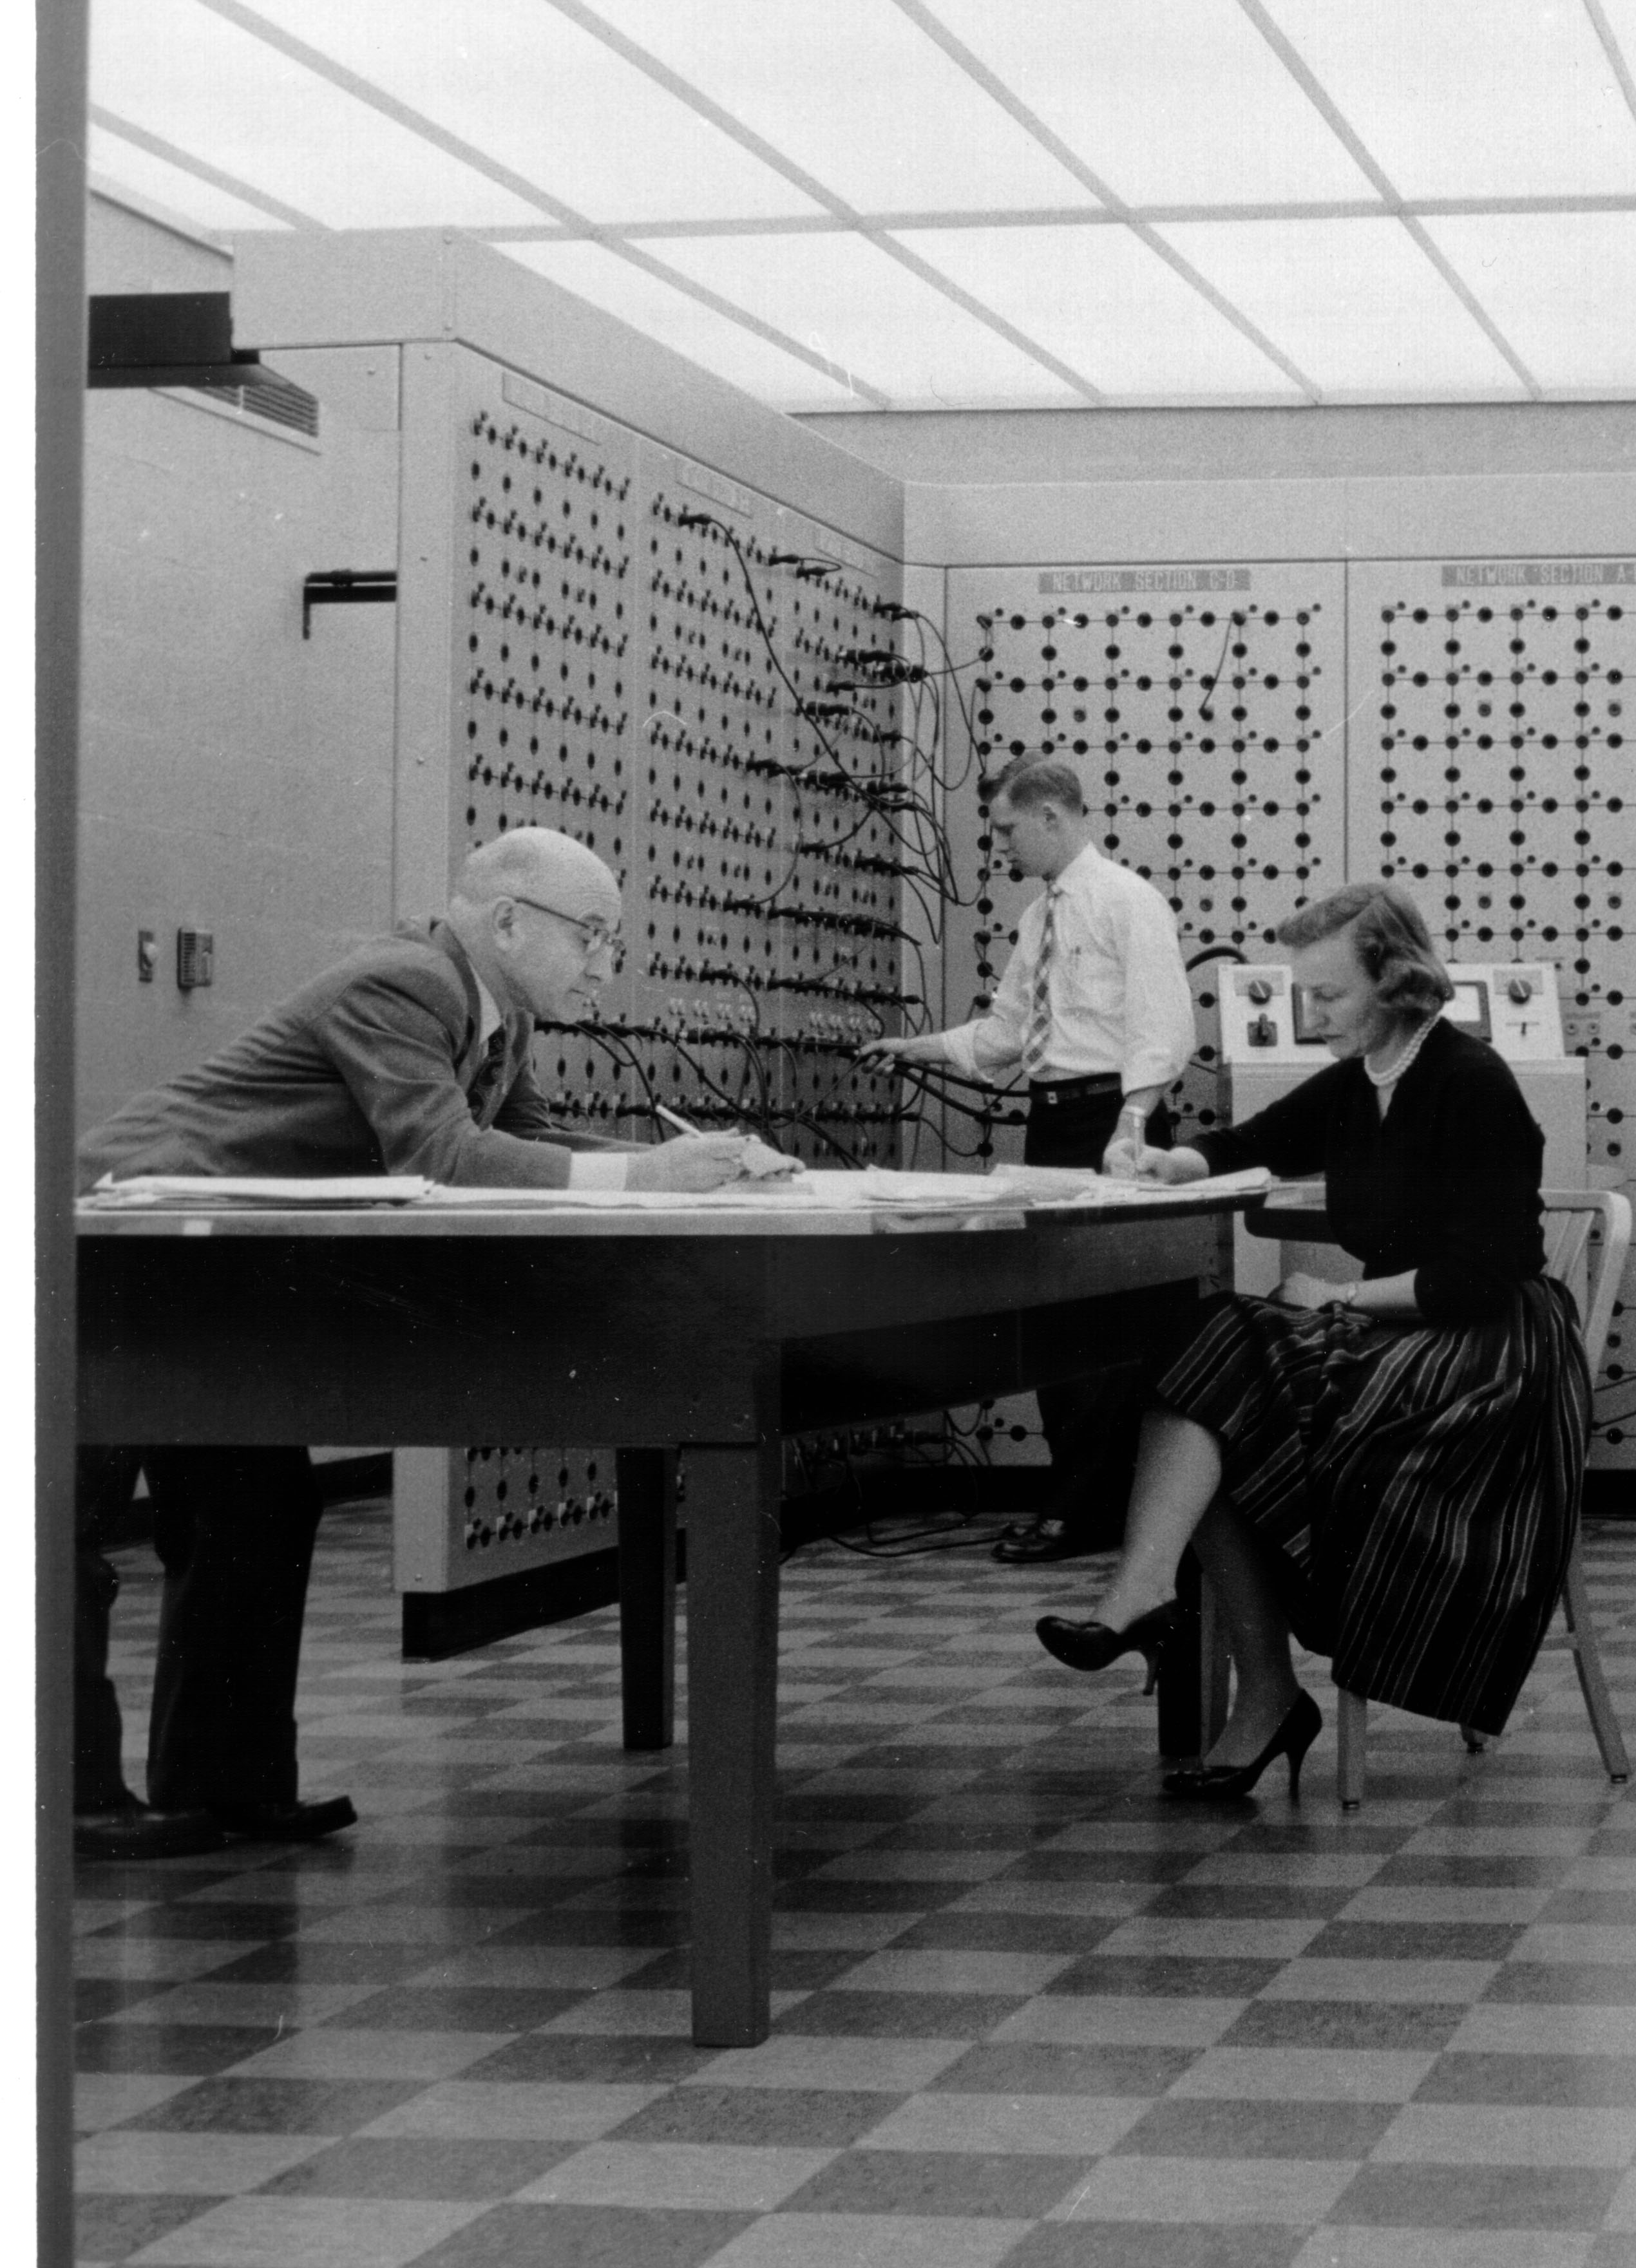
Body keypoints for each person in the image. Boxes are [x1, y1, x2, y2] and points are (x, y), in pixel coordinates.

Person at [74, 826, 793, 1863]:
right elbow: (447, 1156)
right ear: (508, 922)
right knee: (71, 1517)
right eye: (592, 935)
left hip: (212, 1272)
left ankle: (227, 1788)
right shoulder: (407, 982)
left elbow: (534, 1144)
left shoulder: (493, 1015)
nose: (604, 962)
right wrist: (653, 1181)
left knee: (257, 1506)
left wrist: (710, 1163)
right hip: (121, 1248)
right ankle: (69, 1796)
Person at [1035, 881, 1587, 1799]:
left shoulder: (1468, 1080)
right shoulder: (1359, 1079)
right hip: (1400, 1333)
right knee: (1211, 1373)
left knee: (1220, 1373)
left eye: (1326, 997)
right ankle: (1187, 1630)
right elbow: (1250, 1141)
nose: (1308, 1014)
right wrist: (1167, 1159)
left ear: (1396, 983)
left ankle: (1204, 1646)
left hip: (1488, 1355)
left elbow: (1477, 1278)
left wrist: (1339, 1299)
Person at [863, 756, 1196, 1565]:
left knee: (1107, 1325)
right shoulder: (1039, 919)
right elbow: (1008, 1032)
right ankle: (1083, 1503)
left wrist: (1134, 1125)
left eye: (1008, 827)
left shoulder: (1127, 901)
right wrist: (921, 1048)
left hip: (1113, 1124)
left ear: (1053, 816)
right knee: (1059, 1324)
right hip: (1054, 1124)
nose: (1001, 844)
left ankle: (1085, 1511)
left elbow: (1163, 1026)